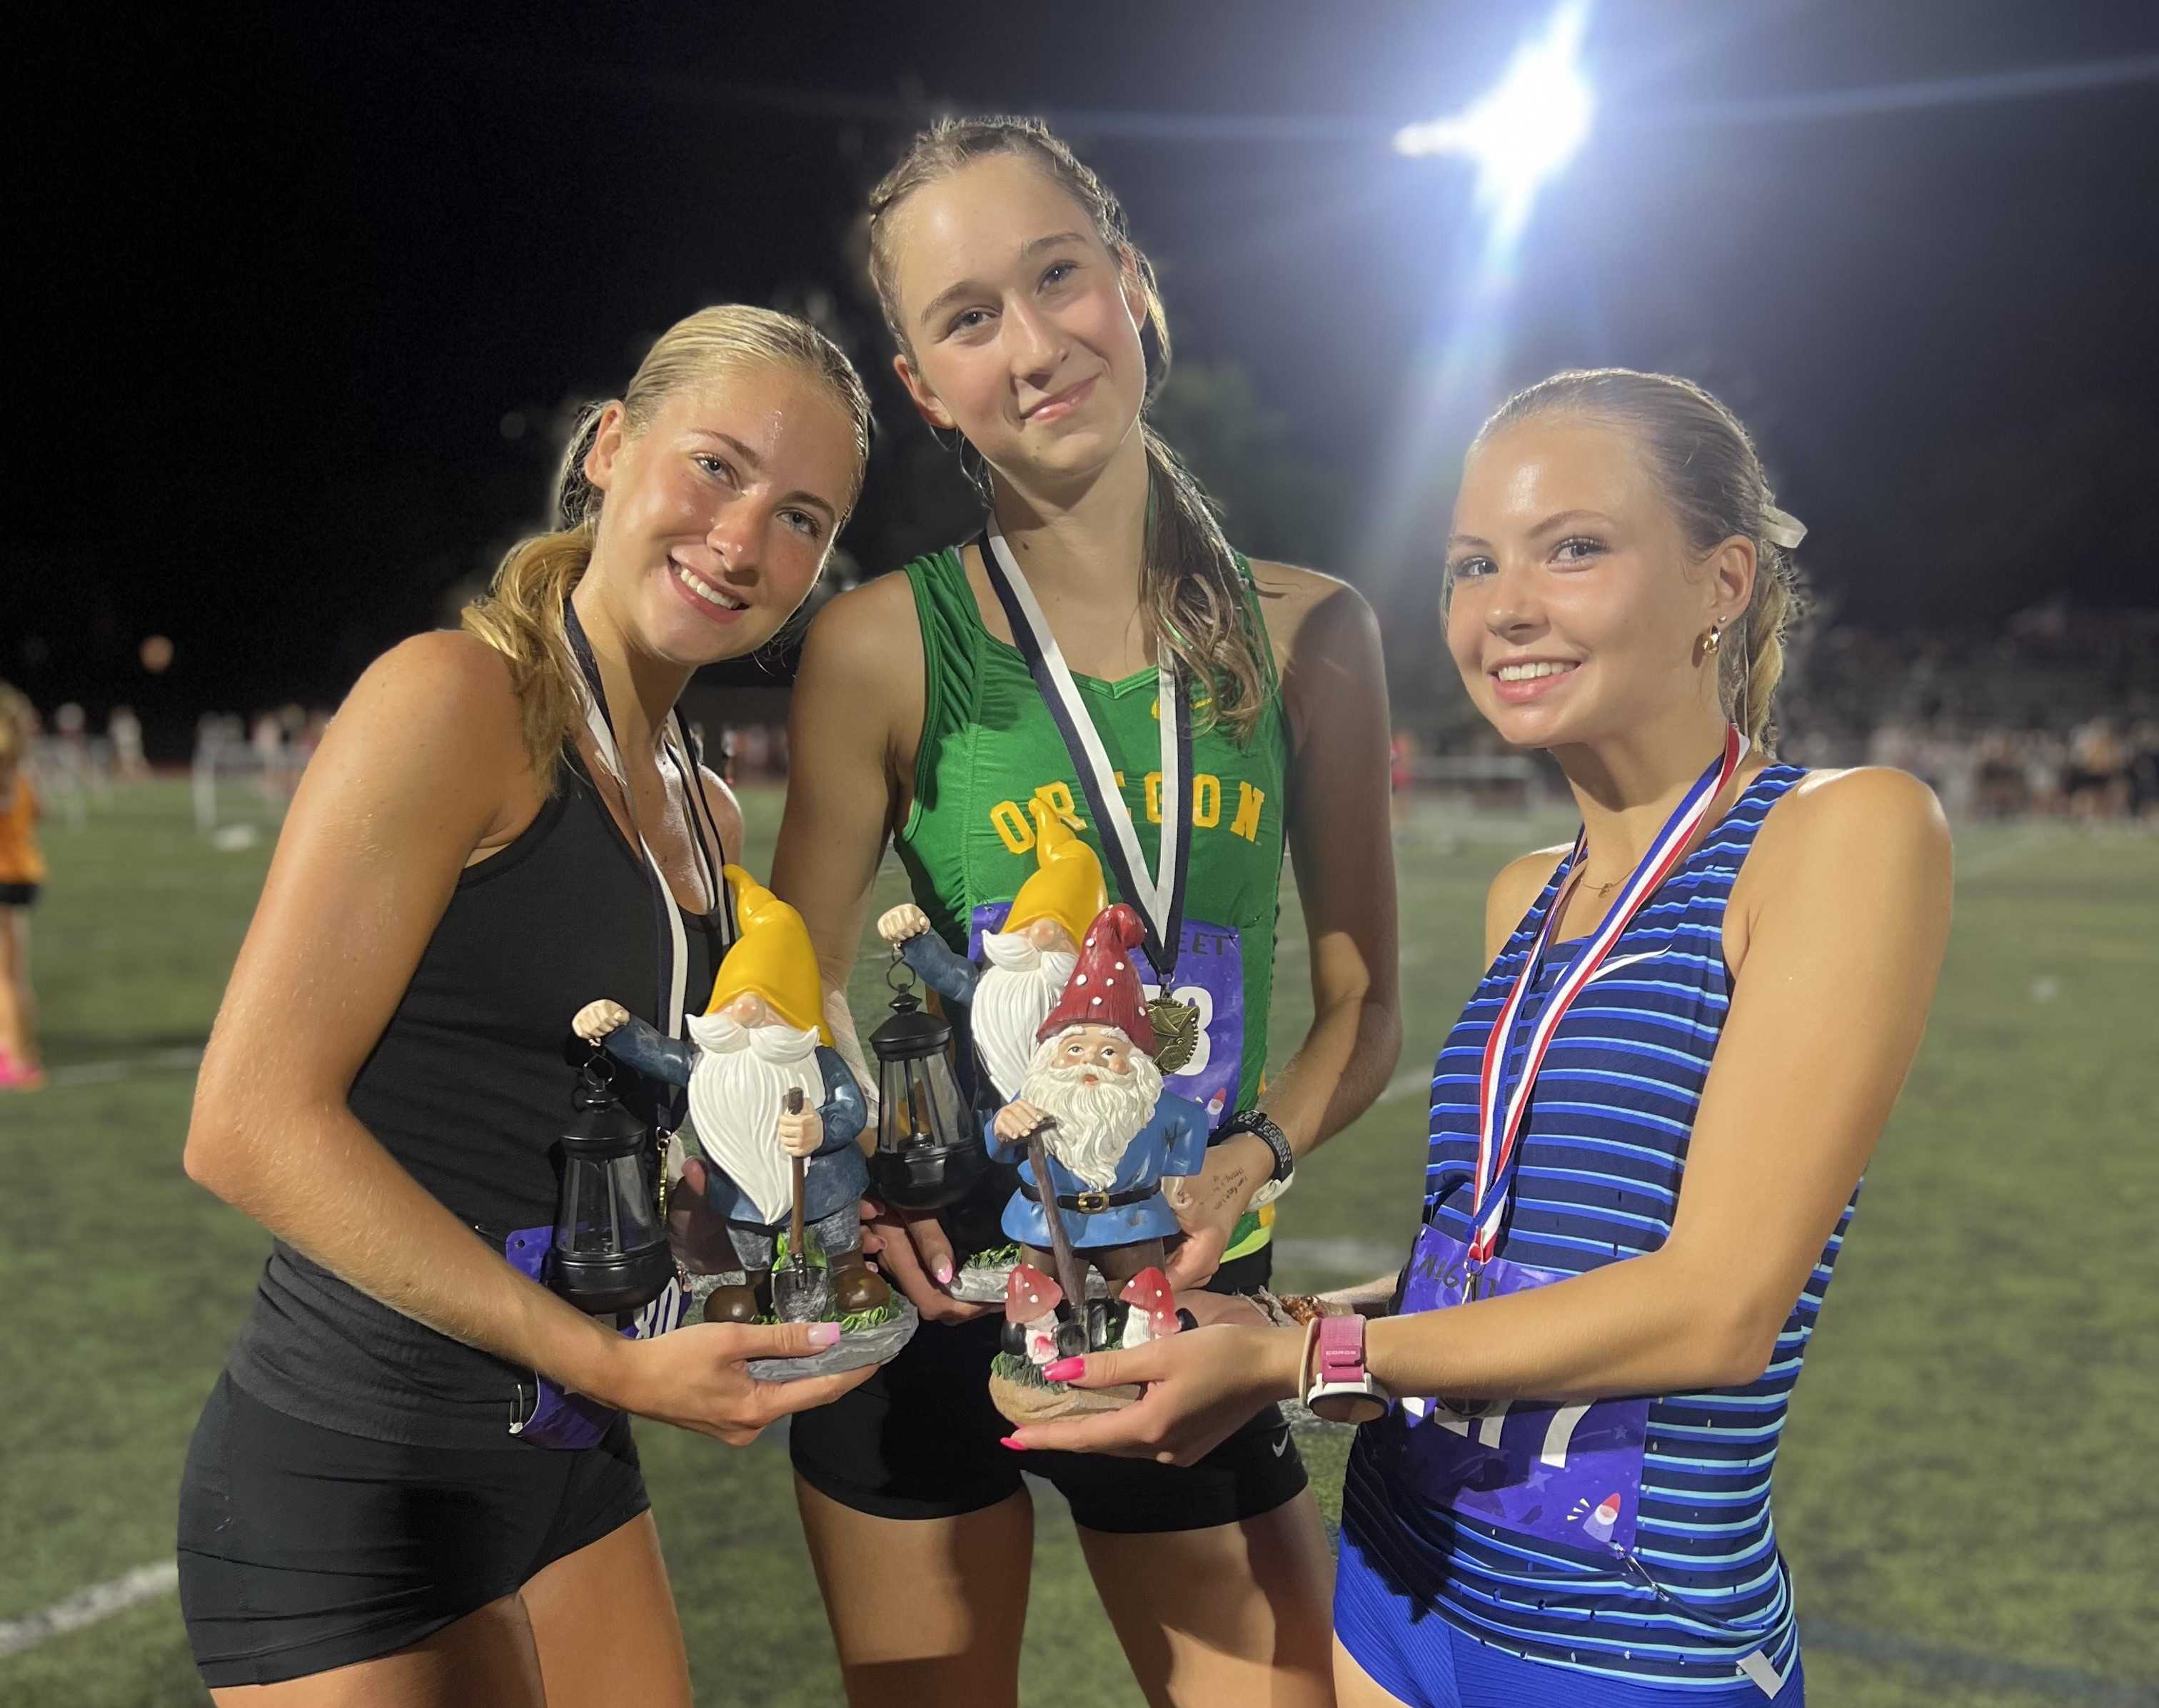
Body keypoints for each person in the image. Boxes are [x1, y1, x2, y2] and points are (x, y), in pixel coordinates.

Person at [1013, 370, 1953, 1708]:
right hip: (1396, 1586)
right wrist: (1262, 1325)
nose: (1503, 605)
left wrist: (1297, 1359)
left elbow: (1717, 1309)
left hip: (1630, 1642)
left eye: (1574, 547)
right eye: (1470, 563)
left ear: (1719, 581)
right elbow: (1491, 1276)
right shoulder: (1528, 890)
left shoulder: (1839, 836)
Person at [772, 115, 1401, 1707]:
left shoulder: (1313, 629)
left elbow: (1364, 1001)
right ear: (921, 385)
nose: (1034, 343)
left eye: (1058, 277)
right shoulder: (876, 644)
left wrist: (1250, 1157)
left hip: (1183, 1295)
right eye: (968, 317)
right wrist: (863, 1159)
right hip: (934, 1303)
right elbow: (792, 976)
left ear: (1131, 283)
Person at [176, 305, 875, 1706]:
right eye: (718, 467)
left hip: (562, 1462)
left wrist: (825, 1218)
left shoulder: (708, 801)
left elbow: (621, 1128)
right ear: (612, 448)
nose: (745, 540)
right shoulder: (454, 701)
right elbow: (246, 1125)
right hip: (352, 1478)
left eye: (801, 515)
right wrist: (606, 1361)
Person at [0, 683, 46, 1090]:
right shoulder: (19, 771)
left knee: (6, 977)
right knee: (13, 974)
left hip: (4, 877)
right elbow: (38, 813)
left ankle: (20, 1060)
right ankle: (12, 1048)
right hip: (23, 874)